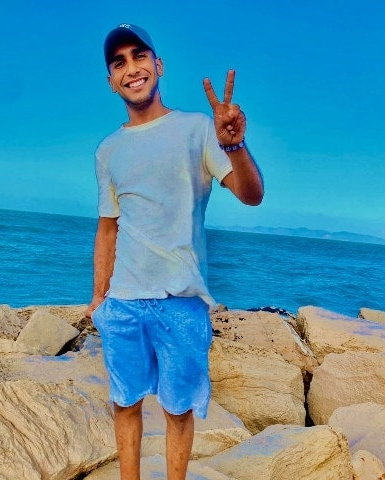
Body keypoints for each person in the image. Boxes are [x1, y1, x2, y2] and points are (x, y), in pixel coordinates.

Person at [85, 23, 264, 480]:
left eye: (139, 56)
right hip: (123, 301)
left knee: (177, 410)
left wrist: (234, 145)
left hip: (181, 300)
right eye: (119, 63)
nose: (131, 68)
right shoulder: (108, 150)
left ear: (158, 65)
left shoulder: (197, 129)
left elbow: (251, 195)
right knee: (125, 403)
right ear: (111, 81)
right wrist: (99, 298)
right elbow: (108, 227)